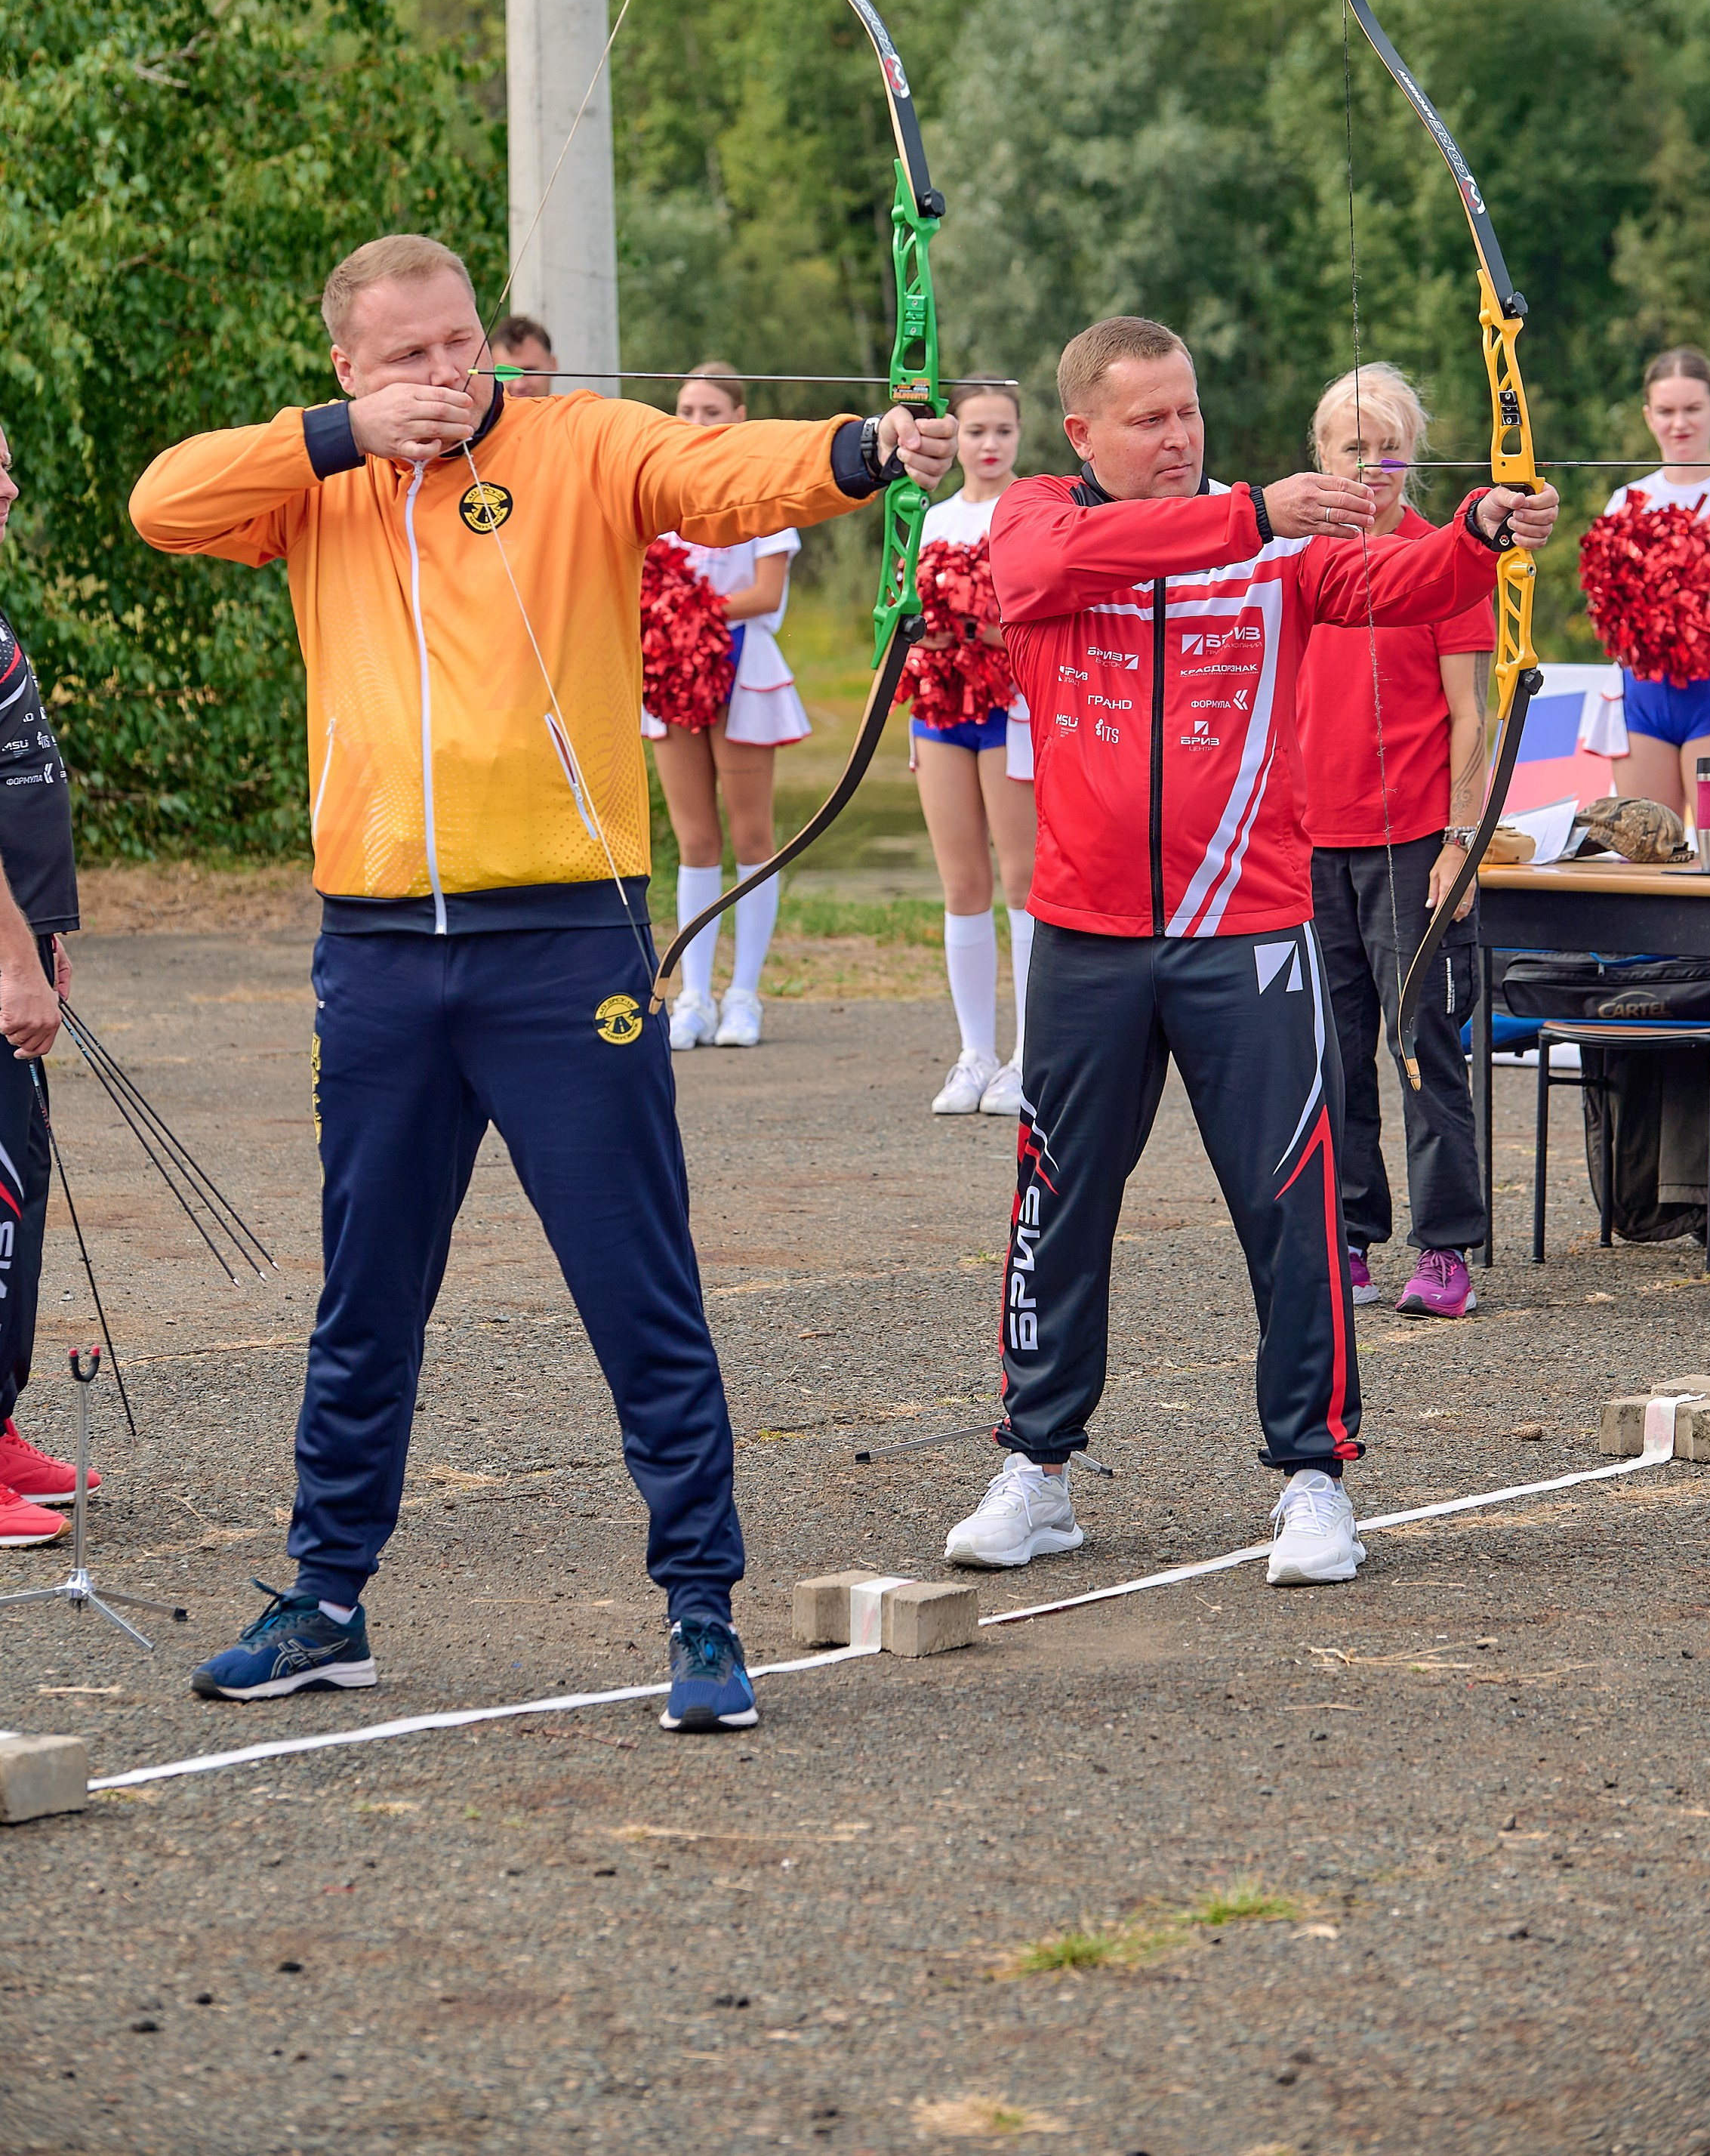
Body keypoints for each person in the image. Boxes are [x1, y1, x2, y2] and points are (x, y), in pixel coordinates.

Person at [129, 232, 954, 1729]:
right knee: (366, 1292)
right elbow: (159, 502)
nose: (448, 376)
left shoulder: (580, 446)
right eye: (408, 357)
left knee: (634, 1279)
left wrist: (860, 449)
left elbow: (721, 474)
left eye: (461, 344)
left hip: (564, 942)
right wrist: (339, 441)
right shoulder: (311, 481)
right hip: (376, 950)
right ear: (347, 369)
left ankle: (701, 1608)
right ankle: (325, 1598)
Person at [938, 316, 1559, 1585]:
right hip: (1088, 938)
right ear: (1083, 435)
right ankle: (1037, 1467)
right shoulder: (1040, 522)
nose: (1180, 438)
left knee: (1295, 1211)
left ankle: (1316, 1478)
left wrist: (1479, 536)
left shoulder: (1268, 547)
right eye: (1150, 419)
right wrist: (1252, 519)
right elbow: (1047, 573)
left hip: (1248, 931)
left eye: (1191, 413)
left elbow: (1403, 586)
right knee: (1057, 1211)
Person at [1296, 365, 1493, 1320]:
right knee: (1330, 1054)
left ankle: (1447, 1246)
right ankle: (1349, 1235)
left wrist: (1460, 840)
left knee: (1421, 1044)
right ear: (1321, 458)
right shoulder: (1297, 562)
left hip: (1412, 841)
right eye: (1350, 447)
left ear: (1415, 453)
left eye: (1388, 445)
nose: (1370, 465)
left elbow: (1472, 718)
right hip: (1307, 845)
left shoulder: (1443, 561)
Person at [645, 362, 809, 1051]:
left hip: (742, 669)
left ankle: (744, 994)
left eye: (712, 409)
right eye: (686, 408)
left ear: (739, 416)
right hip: (674, 671)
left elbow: (766, 594)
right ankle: (693, 994)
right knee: (694, 842)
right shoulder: (656, 499)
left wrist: (686, 607)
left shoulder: (762, 496)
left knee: (751, 838)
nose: (697, 420)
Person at [0, 424, 93, 1547]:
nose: (10, 484)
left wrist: (47, 932)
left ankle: (3, 1420)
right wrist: (15, 959)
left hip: (16, 949)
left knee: (17, 1184)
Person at [905, 378, 1037, 1118]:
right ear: (954, 436)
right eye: (975, 430)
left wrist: (986, 623)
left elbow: (1040, 610)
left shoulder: (1034, 510)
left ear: (1020, 435)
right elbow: (904, 611)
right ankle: (974, 1052)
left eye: (1002, 431)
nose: (988, 445)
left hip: (1012, 704)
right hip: (940, 705)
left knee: (1022, 879)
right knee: (962, 882)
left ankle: (1027, 1054)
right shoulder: (929, 517)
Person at [1601, 347, 1710, 832]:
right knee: (1648, 849)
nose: (1679, 424)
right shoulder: (1626, 500)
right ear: (1648, 417)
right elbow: (1607, 607)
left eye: (1692, 409)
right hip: (1643, 695)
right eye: (1666, 412)